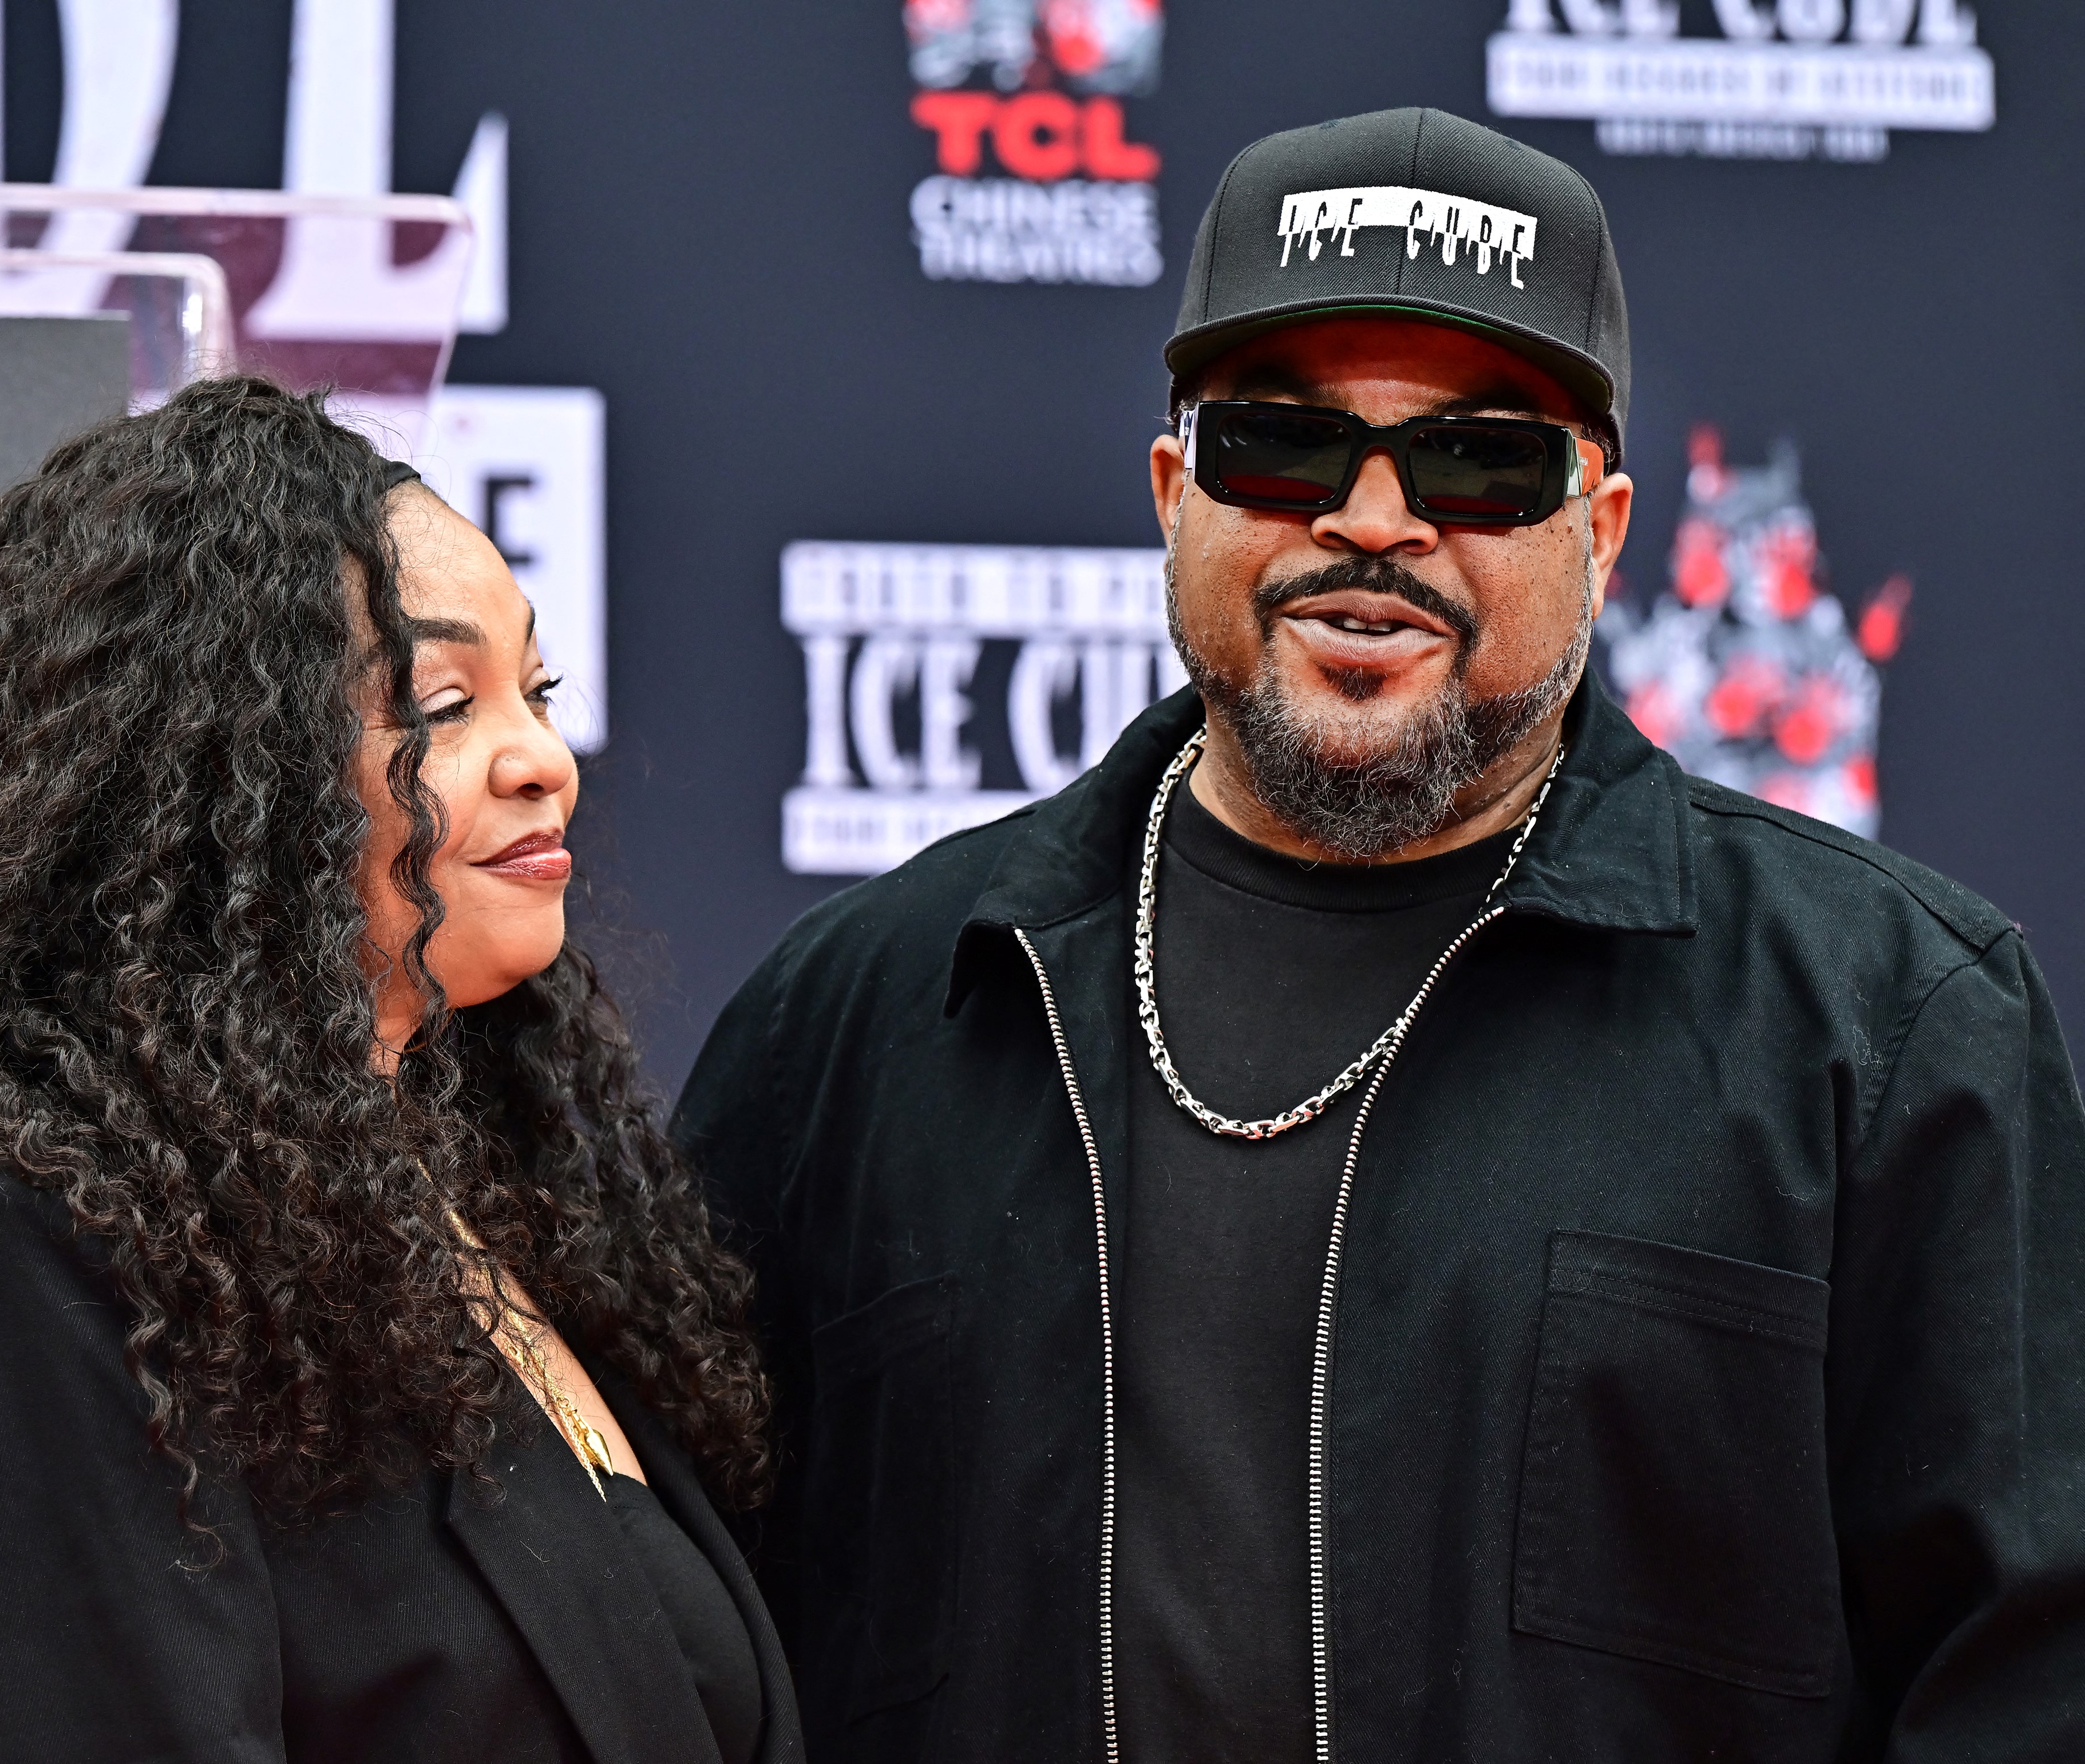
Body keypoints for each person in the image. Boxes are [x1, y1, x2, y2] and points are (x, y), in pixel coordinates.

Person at [676, 106, 2085, 1764]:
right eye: (1281, 445)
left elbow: (2028, 1686)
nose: (1372, 519)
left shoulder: (1887, 1025)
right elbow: (672, 1641)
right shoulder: (858, 1022)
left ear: (1604, 530)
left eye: (1480, 460)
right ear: (1172, 492)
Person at [0, 375, 800, 1764]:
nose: (544, 760)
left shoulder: (493, 1231)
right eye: (444, 700)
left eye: (538, 690)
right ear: (215, 771)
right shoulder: (40, 1284)